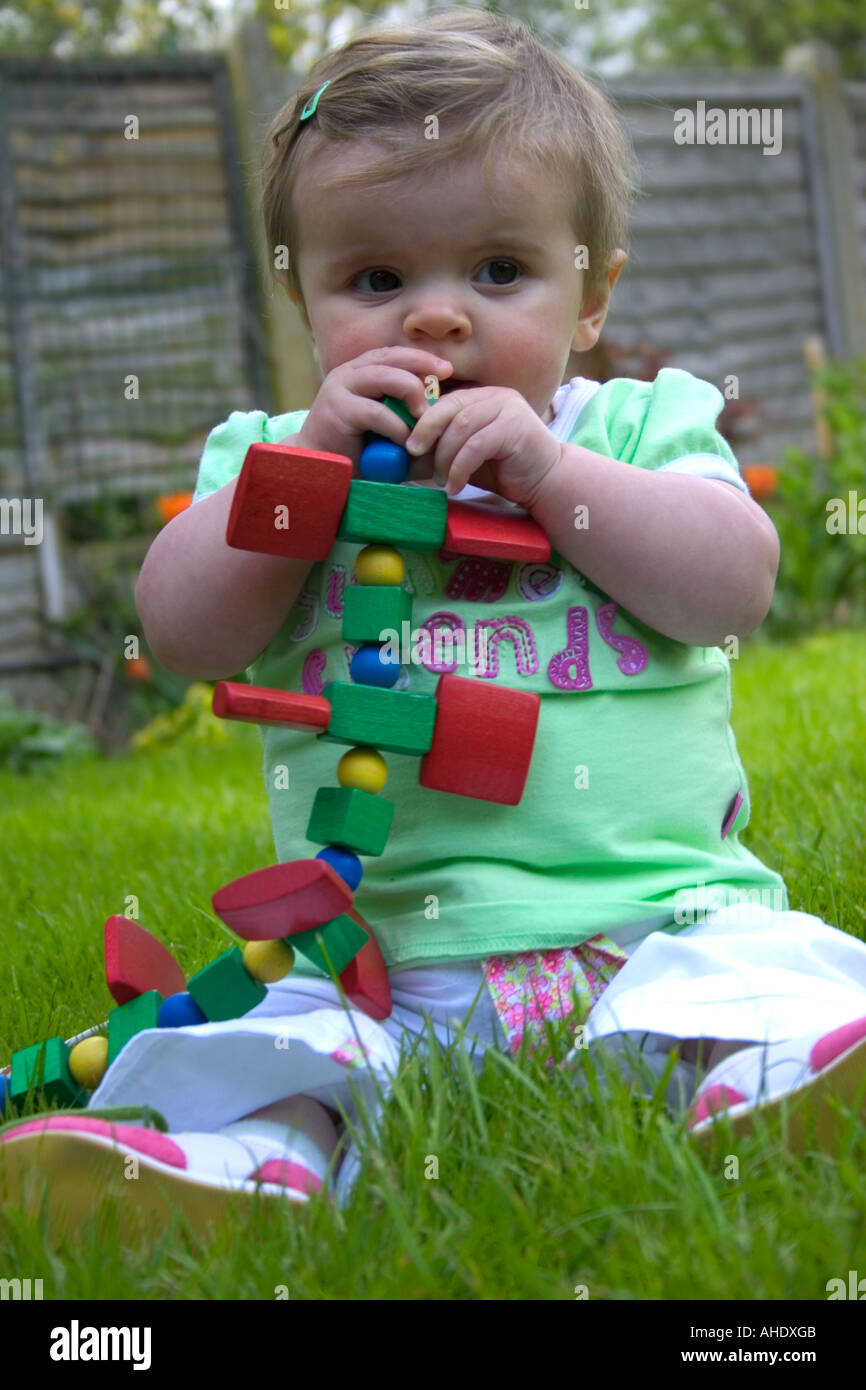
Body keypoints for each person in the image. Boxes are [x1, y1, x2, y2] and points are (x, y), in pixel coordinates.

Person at [3, 8, 866, 1236]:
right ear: (308, 308)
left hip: (655, 919)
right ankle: (260, 1169)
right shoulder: (271, 466)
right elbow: (182, 632)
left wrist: (548, 477)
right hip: (377, 964)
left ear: (588, 298)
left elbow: (729, 584)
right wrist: (304, 470)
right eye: (375, 279)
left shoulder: (632, 433)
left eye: (498, 271)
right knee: (292, 1050)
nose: (436, 318)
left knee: (752, 983)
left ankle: (756, 1087)